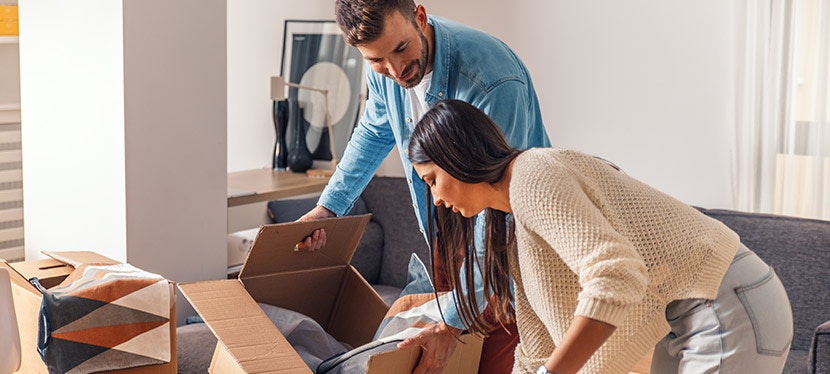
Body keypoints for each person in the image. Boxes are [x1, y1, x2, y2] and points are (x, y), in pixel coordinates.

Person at [407, 99, 794, 374]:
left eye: (434, 181)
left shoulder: (532, 174)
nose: (438, 199)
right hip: (689, 316)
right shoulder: (510, 228)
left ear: (458, 156)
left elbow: (615, 275)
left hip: (727, 301)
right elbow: (536, 347)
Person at [297, 0, 551, 372]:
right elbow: (374, 130)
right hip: (445, 221)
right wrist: (329, 207)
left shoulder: (492, 80)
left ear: (419, 17)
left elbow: (497, 204)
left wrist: (452, 321)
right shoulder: (382, 64)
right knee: (434, 358)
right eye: (378, 61)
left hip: (503, 232)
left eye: (401, 49)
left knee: (494, 359)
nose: (396, 71)